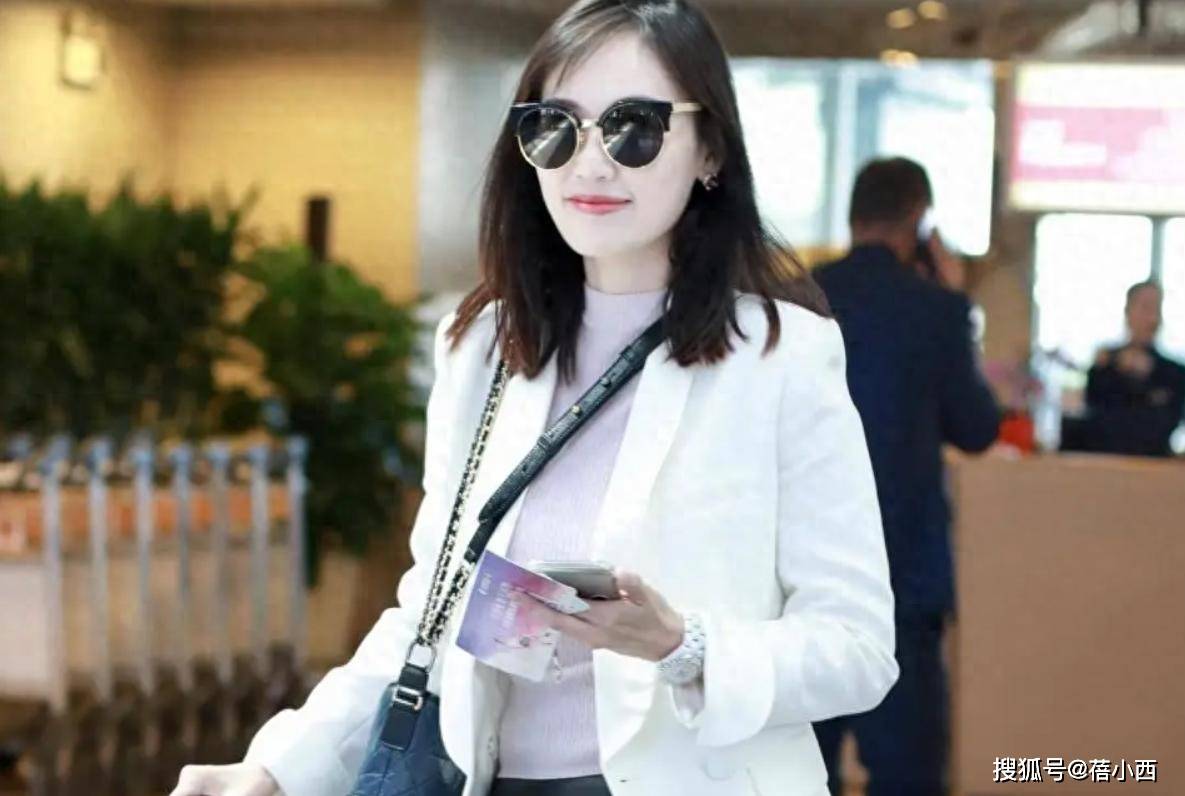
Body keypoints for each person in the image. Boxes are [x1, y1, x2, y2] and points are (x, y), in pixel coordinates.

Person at [170, 2, 897, 795]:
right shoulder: (484, 348)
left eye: (633, 128)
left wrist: (680, 645)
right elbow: (433, 610)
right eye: (555, 127)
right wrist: (274, 770)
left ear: (709, 149)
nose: (590, 165)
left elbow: (857, 648)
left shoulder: (779, 357)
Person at [811, 157, 1000, 796]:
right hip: (903, 586)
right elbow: (977, 429)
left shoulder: (796, 300)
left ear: (853, 216)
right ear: (919, 221)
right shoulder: (936, 311)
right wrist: (957, 299)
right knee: (909, 776)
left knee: (795, 773)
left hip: (801, 584)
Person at [1082, 281, 1185, 458]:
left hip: (1154, 467)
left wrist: (1149, 377)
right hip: (1106, 464)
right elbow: (1095, 421)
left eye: (1157, 308)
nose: (1152, 318)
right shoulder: (1103, 368)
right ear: (1127, 311)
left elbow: (1166, 425)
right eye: (1145, 307)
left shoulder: (1174, 372)